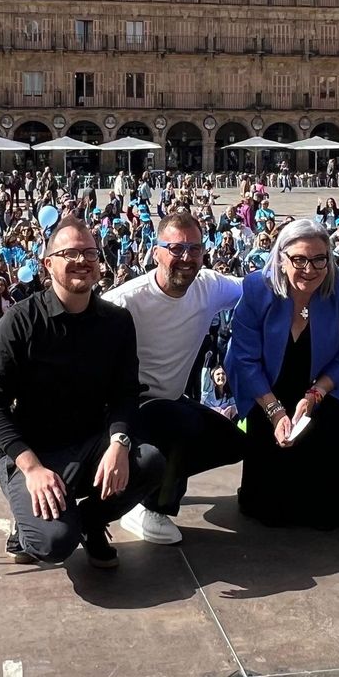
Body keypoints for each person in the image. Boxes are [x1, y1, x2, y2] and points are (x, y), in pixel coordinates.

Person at [0, 218, 165, 568]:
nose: (82, 260)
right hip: (35, 451)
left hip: (91, 443)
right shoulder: (20, 321)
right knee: (52, 543)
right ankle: (33, 521)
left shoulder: (117, 322)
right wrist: (31, 467)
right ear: (48, 264)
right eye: (71, 253)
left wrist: (119, 444)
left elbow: (126, 392)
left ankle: (92, 520)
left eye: (90, 253)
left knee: (150, 462)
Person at [103, 212, 244, 546]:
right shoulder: (125, 302)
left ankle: (147, 485)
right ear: (156, 253)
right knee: (178, 421)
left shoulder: (208, 287)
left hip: (171, 398)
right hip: (127, 407)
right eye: (176, 248)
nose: (186, 257)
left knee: (233, 443)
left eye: (194, 249)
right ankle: (148, 505)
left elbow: (257, 286)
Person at [225, 217, 339, 529]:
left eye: (318, 260)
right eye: (299, 259)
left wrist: (313, 397)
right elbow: (245, 360)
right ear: (281, 257)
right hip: (266, 387)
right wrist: (275, 412)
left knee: (328, 514)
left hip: (319, 387)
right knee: (271, 512)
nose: (309, 270)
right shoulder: (257, 289)